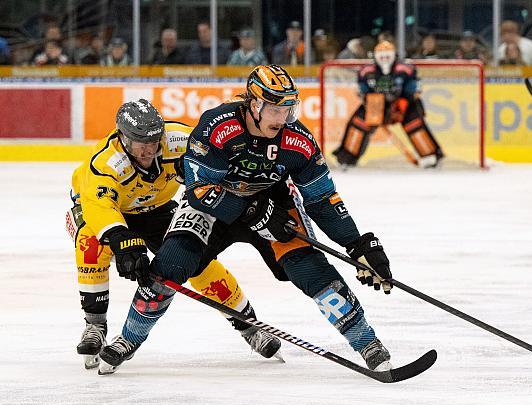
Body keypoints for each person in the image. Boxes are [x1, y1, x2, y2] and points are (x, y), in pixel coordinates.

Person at [99, 65, 395, 375]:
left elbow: (322, 200)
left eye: (288, 108)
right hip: (215, 206)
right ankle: (128, 338)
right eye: (274, 109)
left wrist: (358, 243)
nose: (282, 119)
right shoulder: (217, 125)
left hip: (274, 206)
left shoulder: (299, 141)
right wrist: (252, 211)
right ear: (254, 104)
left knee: (311, 270)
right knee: (169, 265)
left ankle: (367, 343)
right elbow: (199, 191)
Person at [66, 99, 282, 370]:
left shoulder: (179, 139)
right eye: (140, 143)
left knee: (196, 260)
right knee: (90, 243)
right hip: (99, 210)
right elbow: (99, 207)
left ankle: (248, 324)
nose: (148, 150)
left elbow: (218, 154)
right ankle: (95, 325)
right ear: (123, 138)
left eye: (154, 141)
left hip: (155, 209)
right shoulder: (105, 163)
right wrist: (123, 242)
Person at [333, 41, 444, 168]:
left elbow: (414, 90)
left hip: (403, 104)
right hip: (376, 104)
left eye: (388, 55)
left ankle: (431, 155)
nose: (385, 59)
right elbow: (362, 91)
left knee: (415, 124)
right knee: (358, 124)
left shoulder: (406, 69)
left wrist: (403, 104)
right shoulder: (366, 72)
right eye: (382, 56)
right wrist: (368, 101)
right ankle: (347, 157)